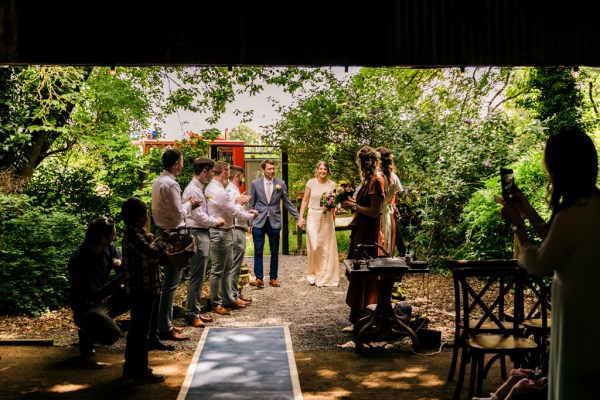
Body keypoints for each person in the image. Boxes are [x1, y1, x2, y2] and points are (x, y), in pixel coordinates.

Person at [500, 128, 600, 399]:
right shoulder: (593, 205)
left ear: (560, 169)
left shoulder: (571, 215)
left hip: (577, 319)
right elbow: (558, 238)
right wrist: (528, 209)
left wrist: (517, 224)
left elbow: (537, 263)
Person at [151, 148, 201, 341]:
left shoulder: (158, 181)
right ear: (176, 163)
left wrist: (184, 203)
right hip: (172, 236)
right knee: (171, 282)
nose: (181, 165)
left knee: (165, 282)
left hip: (159, 232)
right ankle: (165, 327)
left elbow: (170, 208)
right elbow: (178, 214)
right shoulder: (171, 184)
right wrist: (190, 205)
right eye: (180, 161)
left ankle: (164, 323)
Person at [121, 197, 169, 384]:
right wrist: (163, 240)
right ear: (140, 216)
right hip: (142, 289)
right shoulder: (134, 235)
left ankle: (130, 368)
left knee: (138, 330)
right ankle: (140, 371)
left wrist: (151, 239)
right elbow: (152, 255)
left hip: (143, 288)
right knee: (141, 332)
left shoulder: (136, 234)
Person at [67, 216, 130, 357]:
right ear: (103, 239)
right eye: (113, 235)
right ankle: (87, 333)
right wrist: (118, 280)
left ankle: (106, 325)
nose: (115, 237)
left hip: (106, 300)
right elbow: (93, 295)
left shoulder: (109, 248)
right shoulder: (79, 260)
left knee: (138, 292)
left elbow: (122, 269)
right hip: (87, 307)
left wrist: (122, 266)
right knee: (112, 334)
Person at [205, 161, 258, 315]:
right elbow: (233, 212)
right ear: (224, 173)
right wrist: (250, 215)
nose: (229, 175)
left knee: (227, 268)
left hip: (225, 231)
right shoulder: (219, 191)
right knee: (218, 270)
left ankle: (228, 298)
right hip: (220, 232)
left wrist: (237, 203)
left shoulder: (214, 188)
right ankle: (216, 302)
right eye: (228, 172)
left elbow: (229, 208)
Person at [341, 146, 385, 325]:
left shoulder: (376, 181)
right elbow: (363, 203)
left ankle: (366, 316)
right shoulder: (368, 182)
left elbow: (374, 211)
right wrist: (346, 200)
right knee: (358, 271)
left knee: (366, 271)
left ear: (363, 163)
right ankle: (357, 317)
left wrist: (353, 207)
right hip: (360, 229)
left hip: (369, 232)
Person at [181, 157, 225, 328]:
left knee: (199, 275)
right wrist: (216, 221)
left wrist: (213, 219)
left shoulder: (198, 188)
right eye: (211, 172)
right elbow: (198, 216)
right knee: (196, 276)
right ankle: (192, 314)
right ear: (204, 171)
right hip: (197, 233)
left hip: (201, 232)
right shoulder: (194, 189)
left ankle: (195, 311)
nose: (212, 176)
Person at [248, 159, 300, 288]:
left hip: (274, 222)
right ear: (263, 170)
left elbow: (287, 203)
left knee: (275, 251)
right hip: (258, 221)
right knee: (258, 250)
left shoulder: (280, 184)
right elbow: (251, 203)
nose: (272, 171)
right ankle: (259, 278)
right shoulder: (255, 184)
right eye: (269, 169)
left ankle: (273, 278)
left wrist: (298, 217)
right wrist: (249, 222)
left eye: (273, 168)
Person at [297, 161, 340, 287]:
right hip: (312, 216)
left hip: (326, 217)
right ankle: (312, 273)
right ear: (317, 170)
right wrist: (300, 217)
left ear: (328, 171)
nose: (322, 171)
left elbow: (335, 202)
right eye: (320, 169)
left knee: (325, 247)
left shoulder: (332, 184)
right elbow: (305, 201)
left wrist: (334, 209)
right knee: (314, 246)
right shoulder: (311, 183)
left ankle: (324, 275)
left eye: (325, 169)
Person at [226, 165, 254, 303]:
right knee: (235, 265)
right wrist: (250, 216)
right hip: (236, 229)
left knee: (236, 264)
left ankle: (235, 292)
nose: (243, 179)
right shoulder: (232, 191)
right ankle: (233, 295)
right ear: (237, 176)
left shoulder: (234, 190)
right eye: (242, 176)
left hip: (238, 228)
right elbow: (235, 213)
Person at [376, 146, 405, 256]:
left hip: (377, 212)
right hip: (388, 210)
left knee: (379, 240)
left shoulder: (376, 177)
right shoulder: (394, 177)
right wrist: (393, 205)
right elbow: (396, 195)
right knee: (388, 240)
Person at [473, 358, 548, 400]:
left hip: (542, 386)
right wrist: (531, 371)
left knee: (517, 388)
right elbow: (540, 369)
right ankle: (494, 399)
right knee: (515, 377)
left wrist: (540, 380)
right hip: (537, 377)